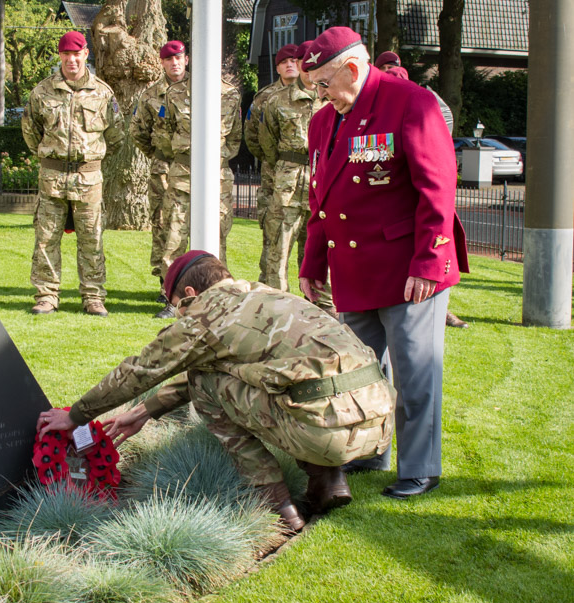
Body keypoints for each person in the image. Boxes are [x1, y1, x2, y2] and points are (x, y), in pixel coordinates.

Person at [38, 250, 395, 531]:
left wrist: (75, 416)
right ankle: (329, 480)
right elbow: (222, 367)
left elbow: (140, 371)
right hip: (376, 421)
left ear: (190, 294)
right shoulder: (266, 296)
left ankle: (276, 505)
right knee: (282, 383)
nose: (178, 314)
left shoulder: (206, 314)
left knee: (204, 385)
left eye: (175, 305)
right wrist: (145, 411)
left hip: (326, 431)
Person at [299, 27, 469, 499]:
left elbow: (437, 189)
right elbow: (321, 199)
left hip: (409, 268)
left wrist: (430, 264)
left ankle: (420, 468)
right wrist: (313, 264)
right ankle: (372, 450)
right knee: (360, 374)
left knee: (416, 374)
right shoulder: (323, 122)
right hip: (356, 270)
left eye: (323, 83)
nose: (319, 93)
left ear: (352, 69)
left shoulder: (409, 103)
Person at [22, 31, 124, 317]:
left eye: (76, 53)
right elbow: (31, 133)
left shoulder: (103, 93)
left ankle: (93, 297)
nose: (71, 59)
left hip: (88, 178)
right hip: (52, 177)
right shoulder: (42, 91)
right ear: (60, 56)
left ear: (85, 54)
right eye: (66, 54)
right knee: (46, 238)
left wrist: (89, 159)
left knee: (92, 238)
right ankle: (46, 295)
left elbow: (115, 135)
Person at [375, 51, 469, 329]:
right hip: (394, 201)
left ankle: (441, 307)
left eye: (397, 70)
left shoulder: (421, 102)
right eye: (387, 70)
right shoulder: (377, 105)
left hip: (421, 197)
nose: (394, 74)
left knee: (433, 252)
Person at [153, 72, 241, 319]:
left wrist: (217, 158)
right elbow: (164, 131)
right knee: (174, 236)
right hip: (182, 172)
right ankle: (172, 299)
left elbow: (235, 137)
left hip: (216, 175)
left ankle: (218, 297)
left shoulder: (230, 94)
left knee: (217, 236)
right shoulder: (175, 92)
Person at [258, 42, 331, 302]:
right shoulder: (276, 100)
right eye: (304, 62)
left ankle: (323, 306)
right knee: (278, 246)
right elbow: (266, 143)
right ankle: (275, 305)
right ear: (299, 64)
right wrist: (285, 166)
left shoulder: (332, 99)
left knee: (321, 245)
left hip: (322, 178)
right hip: (287, 180)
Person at [130, 41, 189, 306]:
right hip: (164, 169)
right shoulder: (151, 94)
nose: (174, 63)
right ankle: (166, 284)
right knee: (164, 226)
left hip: (193, 166)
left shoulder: (203, 90)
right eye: (169, 59)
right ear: (162, 63)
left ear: (186, 60)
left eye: (178, 58)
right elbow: (138, 130)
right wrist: (158, 154)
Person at [243, 44, 298, 283]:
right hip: (273, 176)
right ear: (277, 67)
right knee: (273, 233)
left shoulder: (319, 94)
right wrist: (277, 162)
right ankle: (270, 286)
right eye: (285, 61)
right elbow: (253, 136)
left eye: (295, 61)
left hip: (309, 177)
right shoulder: (265, 97)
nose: (290, 65)